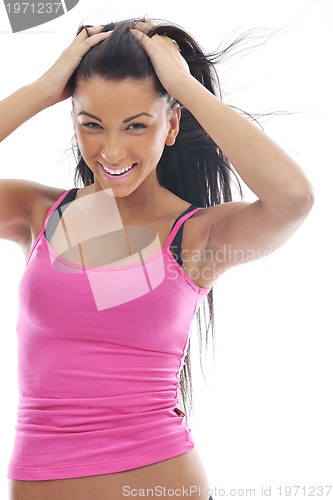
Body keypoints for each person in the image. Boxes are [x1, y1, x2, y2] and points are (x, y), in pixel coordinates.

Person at [0, 18, 314, 500]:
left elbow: (294, 199)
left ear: (171, 124)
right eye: (92, 124)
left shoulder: (195, 237)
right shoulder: (38, 213)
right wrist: (41, 90)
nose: (111, 150)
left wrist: (183, 86)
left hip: (162, 484)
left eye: (136, 125)